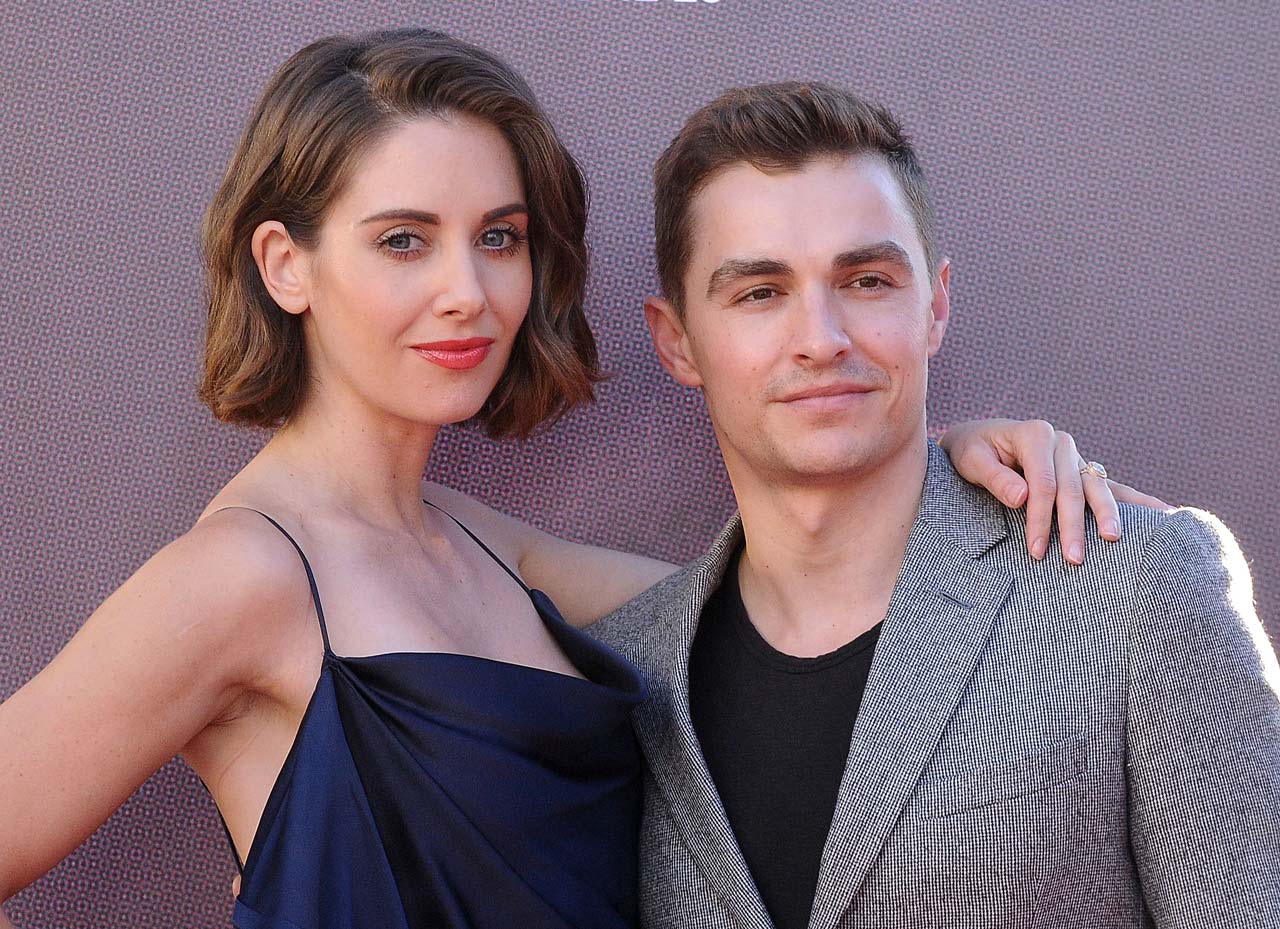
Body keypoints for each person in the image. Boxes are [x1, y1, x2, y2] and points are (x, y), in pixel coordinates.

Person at [0, 30, 1158, 929]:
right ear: (284, 263)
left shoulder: (485, 543)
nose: (467, 291)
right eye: (403, 239)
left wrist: (934, 451)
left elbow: (796, 608)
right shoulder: (237, 578)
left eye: (498, 237)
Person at [588, 81, 1280, 928]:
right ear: (677, 341)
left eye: (867, 280)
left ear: (936, 305)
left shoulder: (1138, 589)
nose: (821, 339)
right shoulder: (621, 675)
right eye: (760, 292)